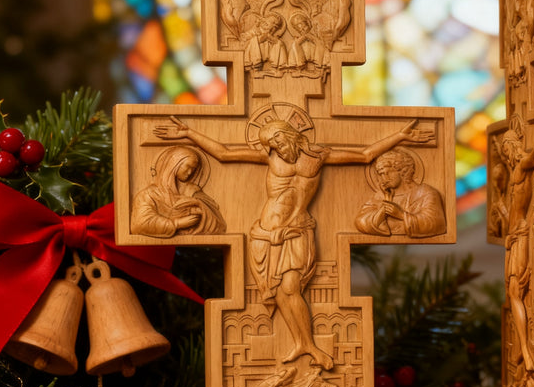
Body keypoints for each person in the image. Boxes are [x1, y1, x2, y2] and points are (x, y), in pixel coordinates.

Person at [154, 115, 433, 369]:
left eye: (276, 136)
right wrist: (189, 132)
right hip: (267, 232)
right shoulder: (270, 158)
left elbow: (364, 155)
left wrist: (400, 136)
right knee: (279, 292)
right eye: (268, 141)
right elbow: (225, 153)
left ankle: (306, 344)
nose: (273, 144)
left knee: (291, 286)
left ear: (288, 132)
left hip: (298, 229)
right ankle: (302, 344)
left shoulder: (318, 156)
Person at [501, 117, 534, 372]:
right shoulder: (513, 171)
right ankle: (522, 347)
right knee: (513, 295)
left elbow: (529, 161)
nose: (506, 153)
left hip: (521, 236)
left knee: (515, 294)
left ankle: (524, 347)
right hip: (512, 239)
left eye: (507, 147)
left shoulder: (521, 167)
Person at [130, 145, 226, 238]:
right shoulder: (148, 194)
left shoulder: (193, 191)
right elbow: (139, 223)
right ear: (174, 164)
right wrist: (177, 224)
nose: (190, 172)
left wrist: (198, 203)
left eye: (193, 169)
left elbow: (218, 222)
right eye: (187, 167)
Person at [354, 148, 445, 238]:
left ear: (402, 171)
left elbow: (436, 223)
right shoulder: (380, 195)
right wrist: (385, 205)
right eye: (381, 174)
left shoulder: (426, 193)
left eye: (387, 173)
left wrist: (401, 215)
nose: (384, 178)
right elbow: (361, 222)